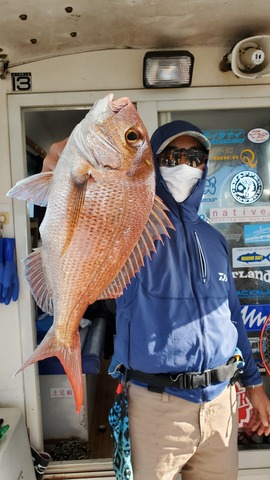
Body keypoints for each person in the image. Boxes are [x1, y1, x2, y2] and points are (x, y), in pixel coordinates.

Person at [42, 120, 270, 480]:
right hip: (154, 408)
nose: (185, 165)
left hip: (220, 406)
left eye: (194, 157)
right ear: (153, 162)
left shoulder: (214, 239)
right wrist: (78, 148)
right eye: (173, 155)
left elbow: (233, 317)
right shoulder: (129, 229)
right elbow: (68, 193)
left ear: (204, 165)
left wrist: (254, 385)